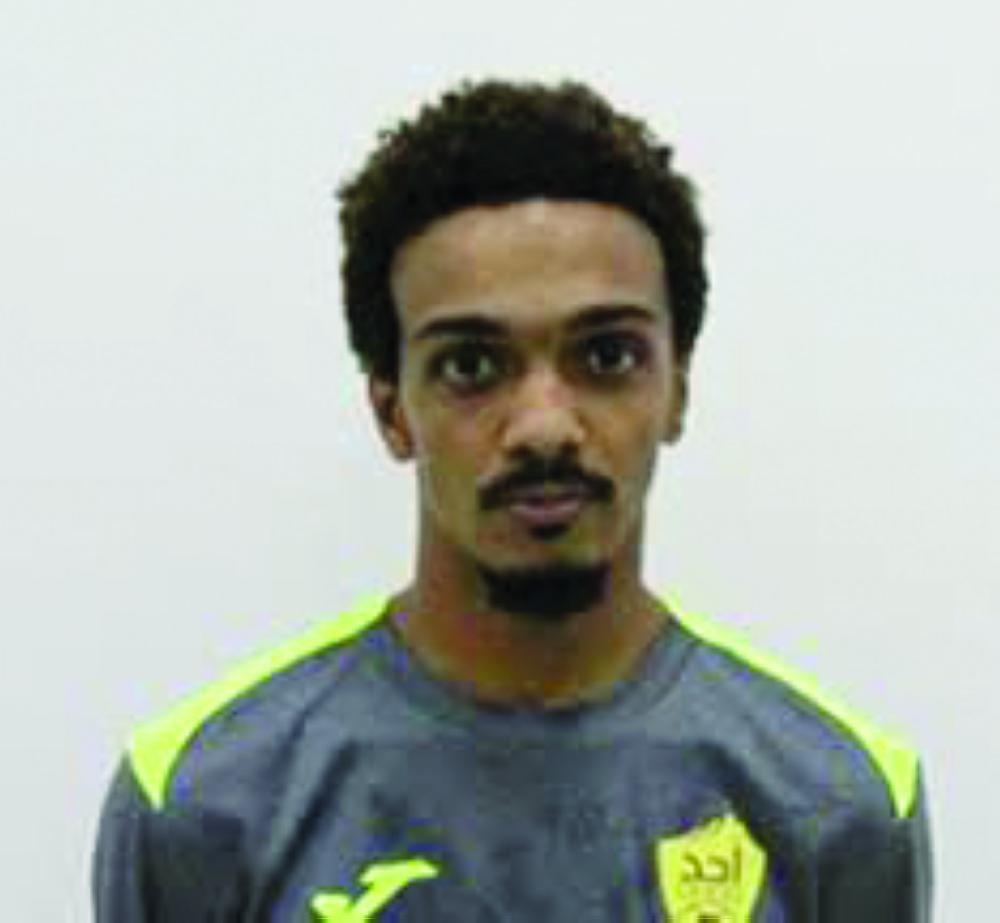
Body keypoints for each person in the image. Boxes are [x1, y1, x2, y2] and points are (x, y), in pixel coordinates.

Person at [93, 77, 933, 921]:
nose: (544, 427)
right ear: (391, 408)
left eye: (606, 356)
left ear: (676, 390)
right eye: (471, 364)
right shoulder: (202, 801)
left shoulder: (837, 800)